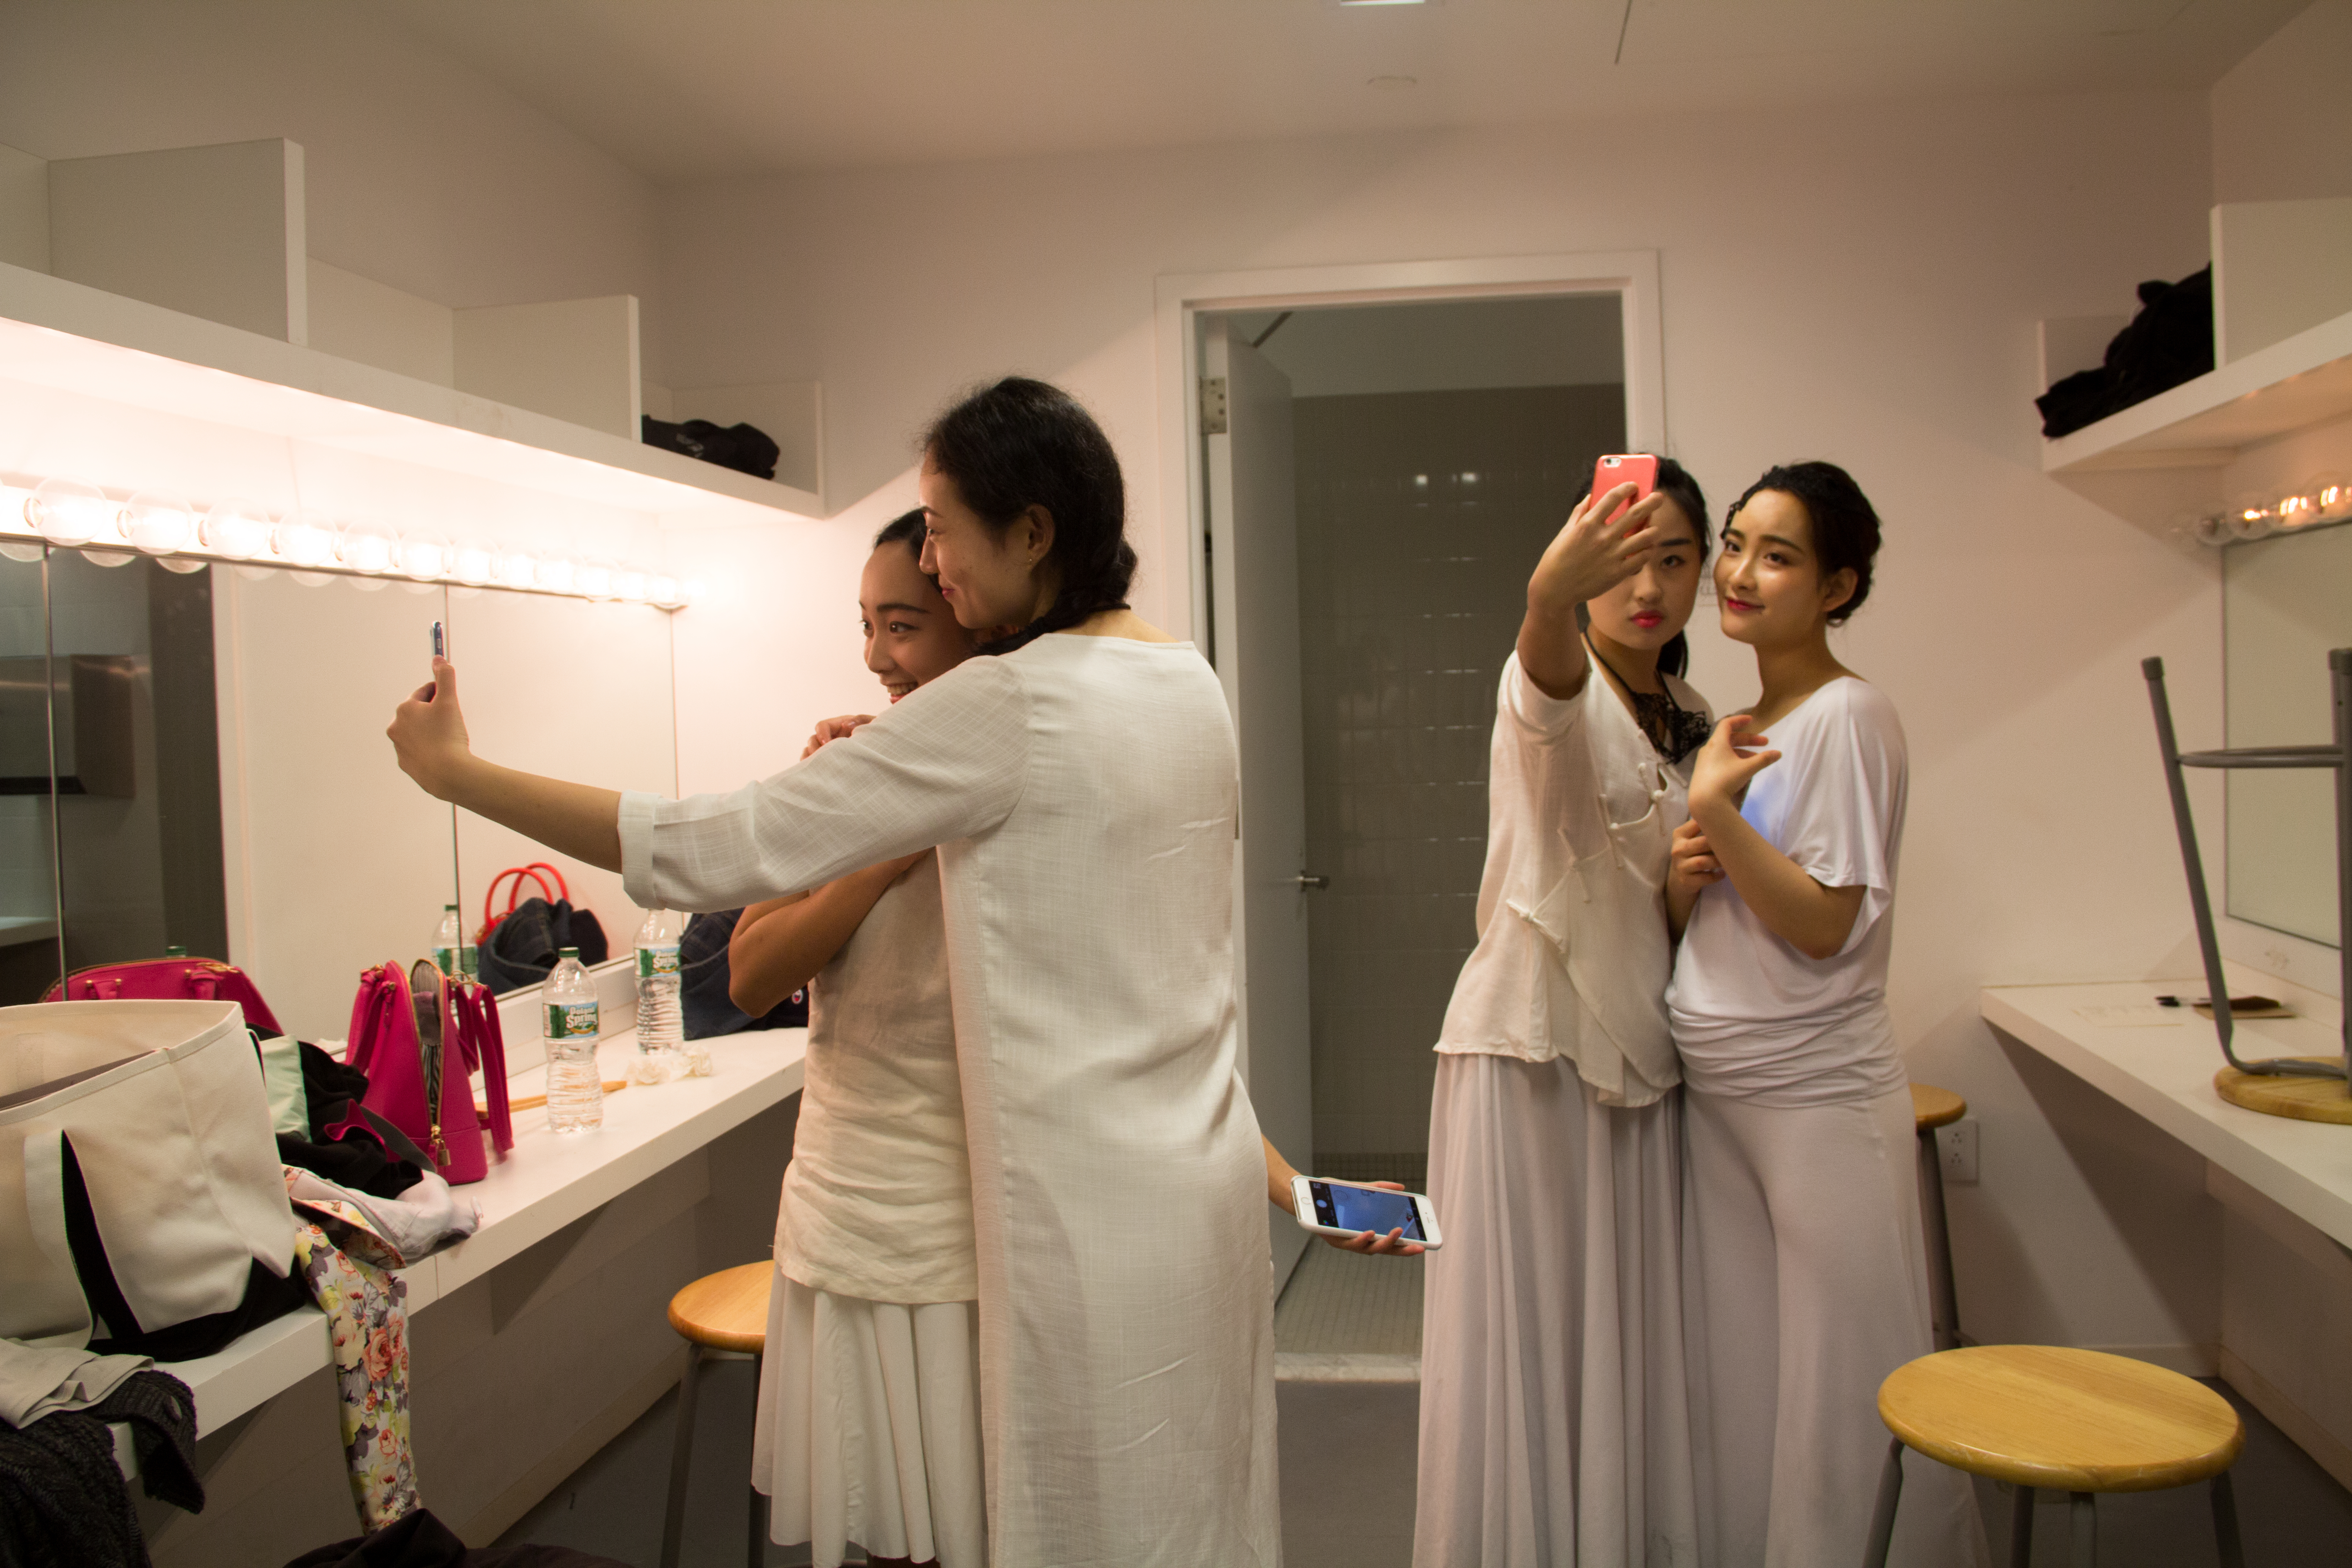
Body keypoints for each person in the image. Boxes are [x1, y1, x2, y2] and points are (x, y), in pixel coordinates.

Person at [386, 377, 1280, 1565]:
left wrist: (463, 774)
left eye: (943, 530)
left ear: (1031, 533)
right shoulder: (1189, 684)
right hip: (1191, 1203)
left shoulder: (1009, 706)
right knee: (1187, 1507)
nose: (932, 558)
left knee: (1080, 1527)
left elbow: (715, 844)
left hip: (1078, 1217)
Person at [1663, 463, 1980, 1567]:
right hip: (1727, 1087)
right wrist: (1696, 855)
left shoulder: (1849, 715)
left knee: (1851, 1384)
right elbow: (1730, 903)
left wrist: (1712, 810)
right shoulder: (1741, 718)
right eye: (1737, 545)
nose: (1739, 573)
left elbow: (1823, 924)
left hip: (1811, 1093)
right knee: (1755, 1378)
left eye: (1778, 555)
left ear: (1839, 586)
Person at [1416, 461, 1713, 1568]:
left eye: (1675, 557)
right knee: (1530, 1348)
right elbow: (1544, 663)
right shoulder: (1553, 675)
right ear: (1584, 564)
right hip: (1532, 1050)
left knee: (1621, 1344)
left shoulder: (1692, 714)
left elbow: (1666, 904)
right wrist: (1546, 597)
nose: (1650, 583)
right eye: (1625, 556)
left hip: (1641, 1051)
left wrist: (1688, 886)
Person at [722, 509, 985, 1568]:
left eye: (906, 626)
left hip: (975, 1214)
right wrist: (879, 849)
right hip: (852, 1195)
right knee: (877, 1515)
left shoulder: (1023, 779)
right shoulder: (841, 776)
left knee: (987, 1510)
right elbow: (751, 974)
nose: (878, 658)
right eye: (868, 626)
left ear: (973, 624)